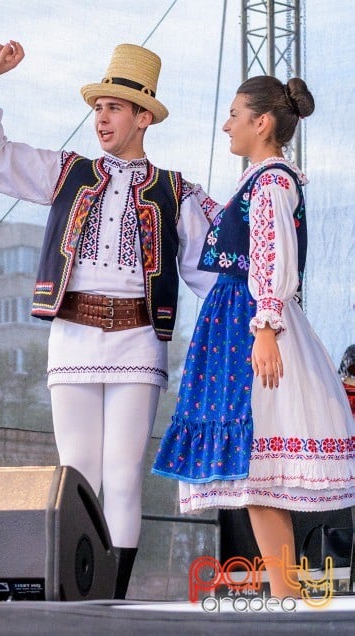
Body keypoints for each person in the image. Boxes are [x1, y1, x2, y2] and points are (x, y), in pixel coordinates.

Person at [0, 42, 218, 598]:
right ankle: (77, 594)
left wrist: (263, 318)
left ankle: (115, 599)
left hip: (137, 340)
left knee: (124, 475)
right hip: (74, 335)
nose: (101, 118)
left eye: (114, 108)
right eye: (98, 107)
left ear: (143, 117)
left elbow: (212, 269)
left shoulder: (177, 192)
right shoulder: (66, 172)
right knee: (78, 472)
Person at [153, 76, 355, 598]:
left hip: (254, 322)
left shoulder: (270, 183)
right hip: (243, 319)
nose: (227, 124)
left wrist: (265, 326)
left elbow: (272, 255)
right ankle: (286, 592)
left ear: (261, 123)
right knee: (257, 481)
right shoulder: (262, 182)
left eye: (235, 113)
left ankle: (288, 592)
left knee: (259, 467)